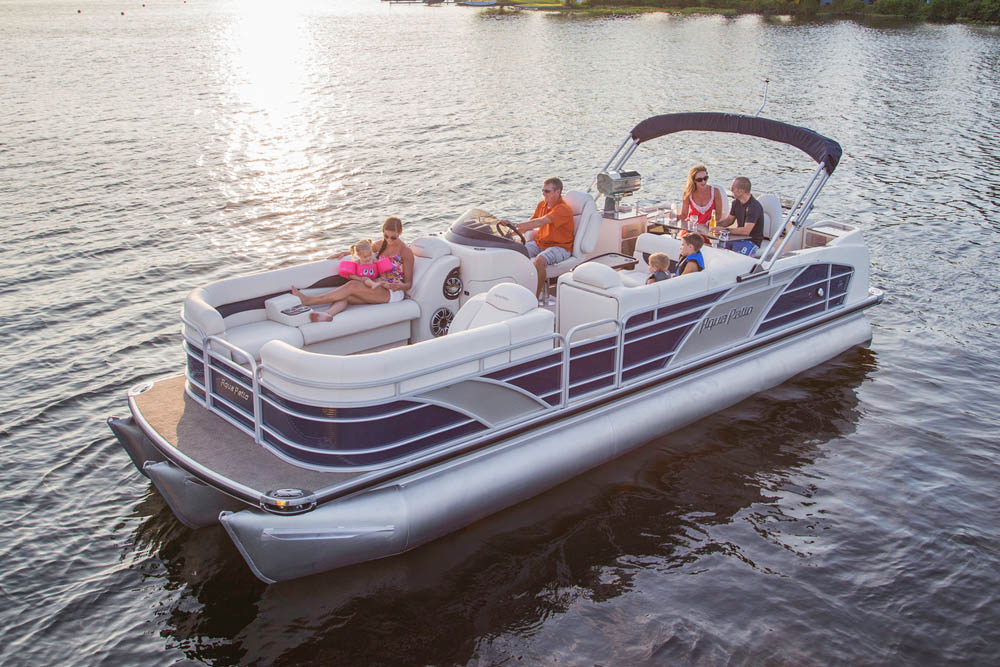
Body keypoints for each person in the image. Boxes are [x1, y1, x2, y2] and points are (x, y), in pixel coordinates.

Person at [291, 217, 414, 322]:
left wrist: (399, 286)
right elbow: (362, 250)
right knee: (345, 296)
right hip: (377, 284)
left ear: (400, 233)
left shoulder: (405, 252)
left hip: (393, 292)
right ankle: (327, 314)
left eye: (393, 237)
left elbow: (408, 284)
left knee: (352, 285)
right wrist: (344, 253)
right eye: (386, 236)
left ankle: (308, 300)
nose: (389, 240)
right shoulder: (380, 244)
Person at [500, 177, 574, 300]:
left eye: (547, 191)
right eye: (543, 190)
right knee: (516, 252)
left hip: (560, 247)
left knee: (540, 260)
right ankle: (512, 291)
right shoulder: (542, 205)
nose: (543, 194)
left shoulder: (562, 209)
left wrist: (514, 224)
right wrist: (507, 233)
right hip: (541, 243)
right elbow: (529, 225)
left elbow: (541, 222)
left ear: (558, 192)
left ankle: (535, 297)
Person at [716, 176, 764, 256]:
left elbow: (746, 231)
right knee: (718, 248)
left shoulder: (753, 207)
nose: (731, 190)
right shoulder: (736, 203)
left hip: (752, 241)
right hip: (738, 238)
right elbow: (729, 221)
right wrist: (715, 224)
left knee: (734, 256)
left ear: (741, 191)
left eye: (733, 188)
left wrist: (724, 230)